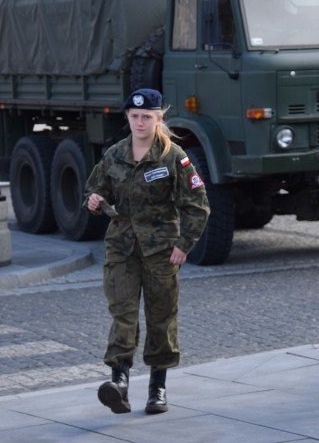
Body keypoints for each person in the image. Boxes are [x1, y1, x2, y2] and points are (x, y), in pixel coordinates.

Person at [84, 88, 209, 415]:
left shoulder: (173, 157)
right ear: (127, 117)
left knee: (160, 318)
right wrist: (95, 202)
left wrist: (184, 245)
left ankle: (158, 388)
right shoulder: (114, 154)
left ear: (158, 118)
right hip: (121, 248)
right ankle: (119, 383)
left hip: (161, 251)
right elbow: (96, 189)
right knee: (122, 314)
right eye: (134, 116)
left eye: (147, 117)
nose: (140, 122)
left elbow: (197, 206)